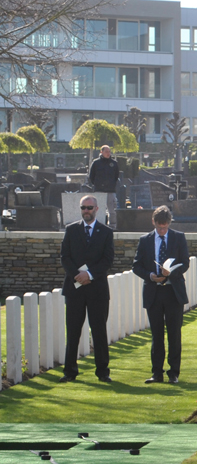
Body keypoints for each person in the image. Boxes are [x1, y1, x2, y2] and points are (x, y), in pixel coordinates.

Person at [59, 195, 115, 383]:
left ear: (97, 209)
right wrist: (78, 275)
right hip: (75, 288)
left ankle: (102, 372)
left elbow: (107, 260)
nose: (86, 211)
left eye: (90, 208)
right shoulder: (71, 230)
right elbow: (64, 257)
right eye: (83, 207)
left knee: (99, 331)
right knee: (73, 331)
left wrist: (89, 275)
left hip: (96, 289)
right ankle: (70, 372)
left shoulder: (106, 232)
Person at [133, 205, 190, 384]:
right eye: (159, 227)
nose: (162, 230)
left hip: (173, 292)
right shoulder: (145, 240)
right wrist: (150, 276)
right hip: (154, 292)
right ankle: (156, 372)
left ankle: (174, 372)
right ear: (153, 222)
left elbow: (185, 263)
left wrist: (170, 273)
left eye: (165, 227)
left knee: (174, 334)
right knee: (156, 335)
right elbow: (136, 265)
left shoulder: (178, 238)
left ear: (169, 223)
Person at [88, 145, 120, 225]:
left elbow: (116, 176)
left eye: (109, 151)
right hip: (99, 190)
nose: (108, 153)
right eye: (106, 152)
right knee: (99, 210)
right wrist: (97, 185)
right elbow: (91, 176)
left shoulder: (114, 163)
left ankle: (112, 226)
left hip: (110, 190)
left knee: (112, 210)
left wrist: (111, 185)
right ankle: (99, 225)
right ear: (101, 152)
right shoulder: (96, 163)